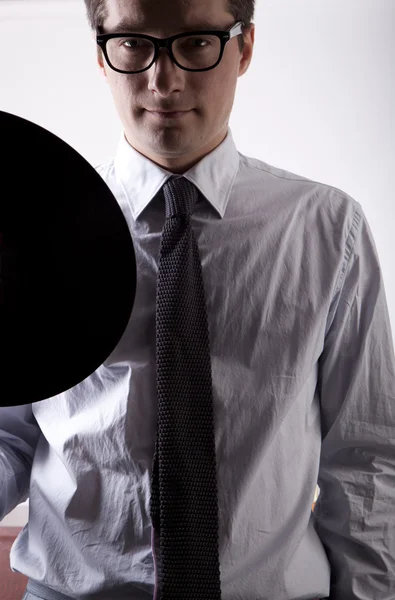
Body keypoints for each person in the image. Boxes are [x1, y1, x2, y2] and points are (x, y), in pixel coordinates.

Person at [1, 0, 394, 598]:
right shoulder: (31, 228)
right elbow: (9, 432)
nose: (164, 79)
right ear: (101, 56)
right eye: (133, 43)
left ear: (245, 47)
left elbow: (366, 453)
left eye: (196, 42)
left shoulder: (327, 228)